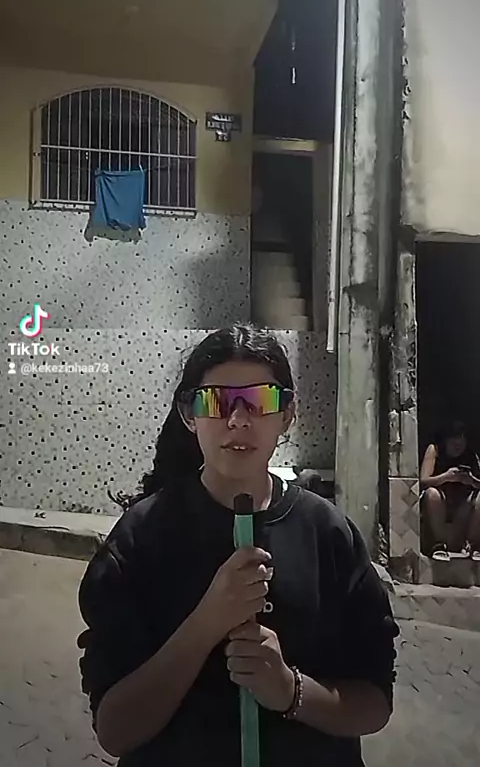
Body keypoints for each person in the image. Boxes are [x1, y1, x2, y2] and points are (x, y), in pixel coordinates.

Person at [78, 324, 399, 767]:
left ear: (287, 414)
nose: (238, 420)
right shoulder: (140, 538)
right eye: (216, 401)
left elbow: (375, 702)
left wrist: (290, 691)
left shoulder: (329, 534)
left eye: (260, 400)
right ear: (189, 415)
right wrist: (207, 622)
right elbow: (116, 730)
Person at [420, 420, 480, 561]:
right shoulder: (434, 450)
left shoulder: (470, 455)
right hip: (438, 505)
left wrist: (471, 480)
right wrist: (446, 477)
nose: (458, 445)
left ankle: (473, 545)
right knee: (432, 494)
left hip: (462, 509)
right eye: (454, 441)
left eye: (462, 441)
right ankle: (438, 545)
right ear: (446, 440)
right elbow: (422, 482)